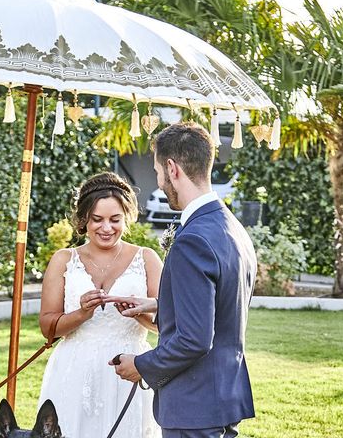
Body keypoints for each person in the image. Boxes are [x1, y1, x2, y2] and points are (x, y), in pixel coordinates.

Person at [106, 122, 257, 438]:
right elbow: (220, 307)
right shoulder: (233, 227)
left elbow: (194, 340)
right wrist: (160, 305)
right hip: (221, 397)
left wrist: (141, 365)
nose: (158, 181)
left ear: (172, 168)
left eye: (158, 171)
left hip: (193, 406)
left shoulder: (193, 240)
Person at [38, 171, 163, 438]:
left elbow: (169, 324)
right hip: (75, 370)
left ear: (126, 218)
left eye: (115, 220)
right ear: (84, 219)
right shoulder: (63, 260)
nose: (106, 228)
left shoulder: (147, 259)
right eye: (97, 220)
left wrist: (139, 314)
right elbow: (48, 328)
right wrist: (82, 313)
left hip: (129, 368)